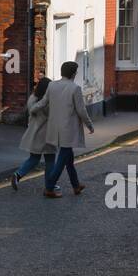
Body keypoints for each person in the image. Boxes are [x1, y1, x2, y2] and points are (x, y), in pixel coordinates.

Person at [40, 61, 95, 198]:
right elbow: (81, 111)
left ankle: (76, 185)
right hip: (68, 130)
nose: (76, 73)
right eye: (76, 71)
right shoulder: (75, 88)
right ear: (72, 73)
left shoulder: (52, 85)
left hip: (54, 127)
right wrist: (90, 125)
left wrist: (33, 108)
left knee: (68, 158)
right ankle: (49, 187)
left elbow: (44, 102)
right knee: (63, 159)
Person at [10, 77, 56, 191]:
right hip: (46, 134)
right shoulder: (48, 102)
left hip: (33, 133)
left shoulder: (32, 99)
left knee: (34, 158)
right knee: (50, 160)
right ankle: (49, 185)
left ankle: (18, 174)